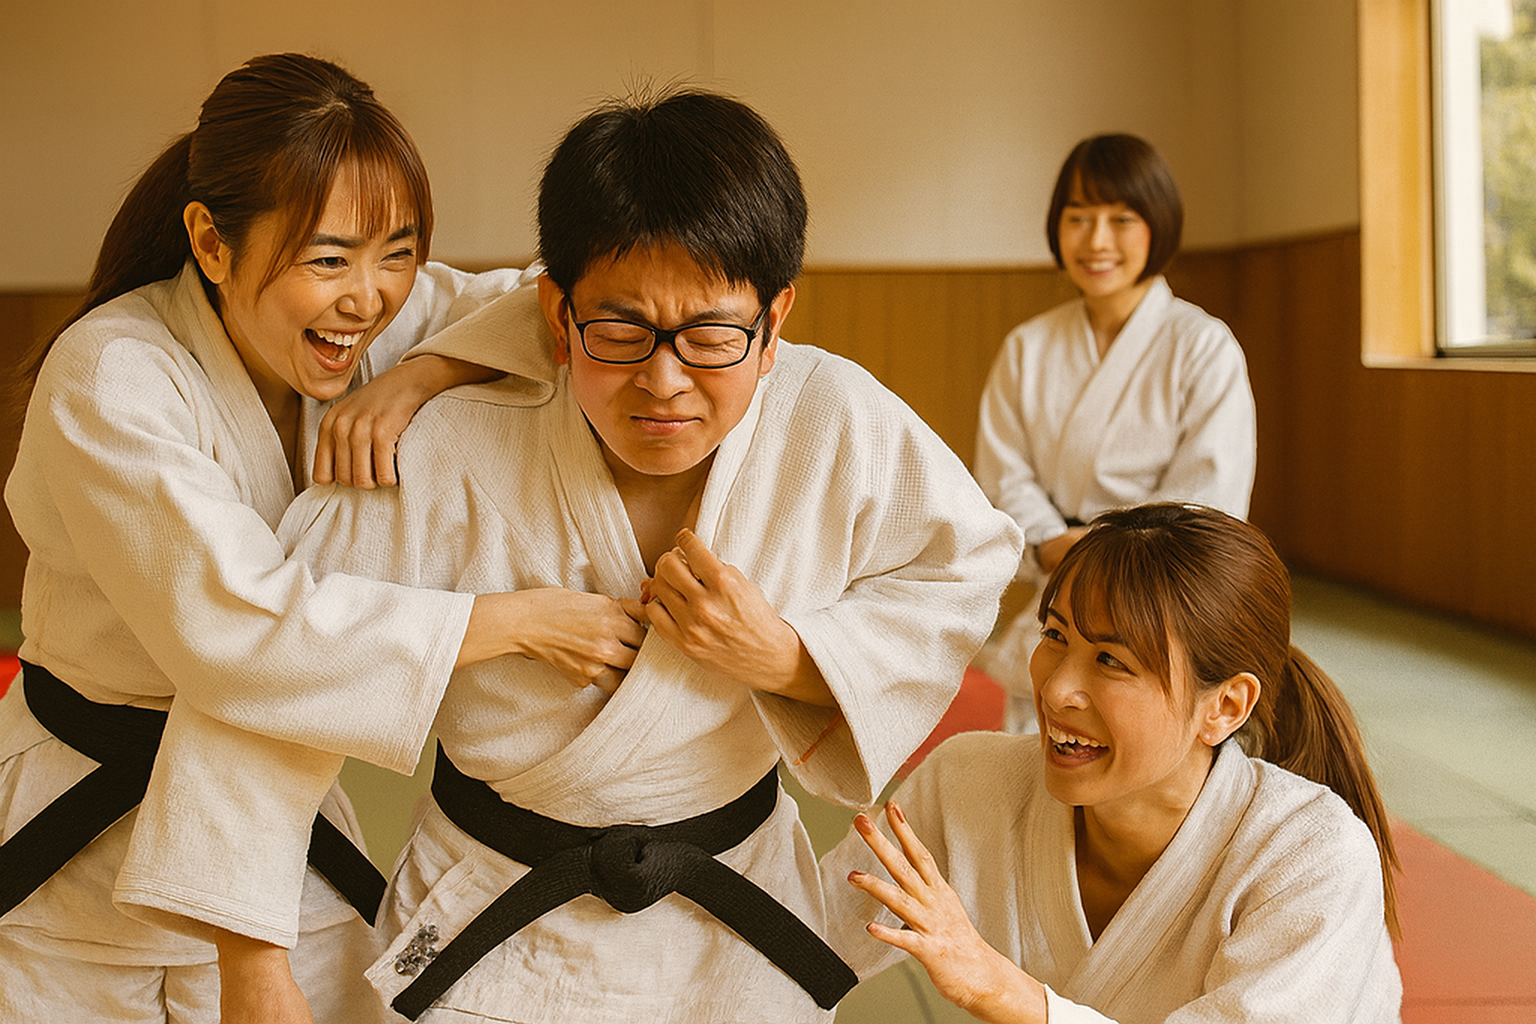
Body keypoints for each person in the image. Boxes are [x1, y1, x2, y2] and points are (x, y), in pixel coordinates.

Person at [113, 88, 1024, 1022]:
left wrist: (789, 658)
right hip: (493, 923)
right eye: (620, 332)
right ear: (556, 313)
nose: (664, 381)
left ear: (775, 320)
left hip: (735, 934)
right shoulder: (441, 451)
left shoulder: (834, 420)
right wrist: (255, 964)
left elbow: (964, 564)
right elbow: (272, 681)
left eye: (712, 337)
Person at [0, 53, 586, 1024]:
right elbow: (241, 629)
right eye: (328, 258)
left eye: (398, 251)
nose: (370, 296)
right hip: (78, 857)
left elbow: (552, 299)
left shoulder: (379, 331)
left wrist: (425, 374)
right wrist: (511, 621)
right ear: (212, 242)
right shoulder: (111, 373)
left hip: (275, 832)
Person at [823, 503, 1403, 1024]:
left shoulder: (1311, 857)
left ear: (1225, 707)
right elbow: (805, 946)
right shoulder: (968, 785)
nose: (1056, 691)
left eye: (1110, 660)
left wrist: (1001, 992)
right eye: (1056, 635)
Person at [973, 135, 1257, 732]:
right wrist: (1051, 543)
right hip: (1059, 587)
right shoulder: (1028, 347)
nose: (1097, 240)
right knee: (1037, 753)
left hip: (1160, 603)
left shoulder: (1204, 347)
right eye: (1078, 218)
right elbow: (1003, 474)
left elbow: (1210, 497)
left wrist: (1109, 554)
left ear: (1158, 225)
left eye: (1121, 219)